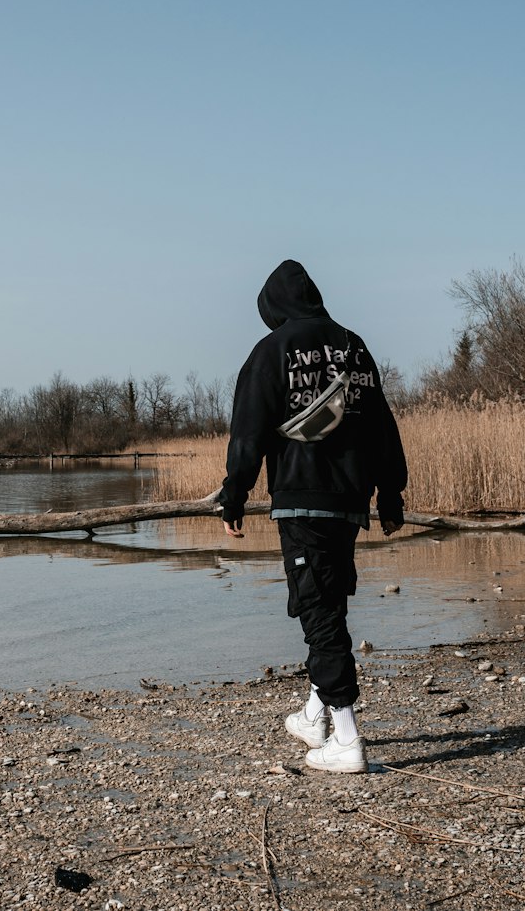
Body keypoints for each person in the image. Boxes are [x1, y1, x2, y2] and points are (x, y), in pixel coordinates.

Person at [218, 259, 407, 773]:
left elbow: (248, 434)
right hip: (350, 501)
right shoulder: (352, 345)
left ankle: (346, 739)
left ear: (273, 307)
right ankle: (314, 714)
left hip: (302, 498)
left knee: (318, 610)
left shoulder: (272, 351)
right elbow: (382, 426)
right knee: (329, 602)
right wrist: (390, 494)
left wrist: (233, 497)